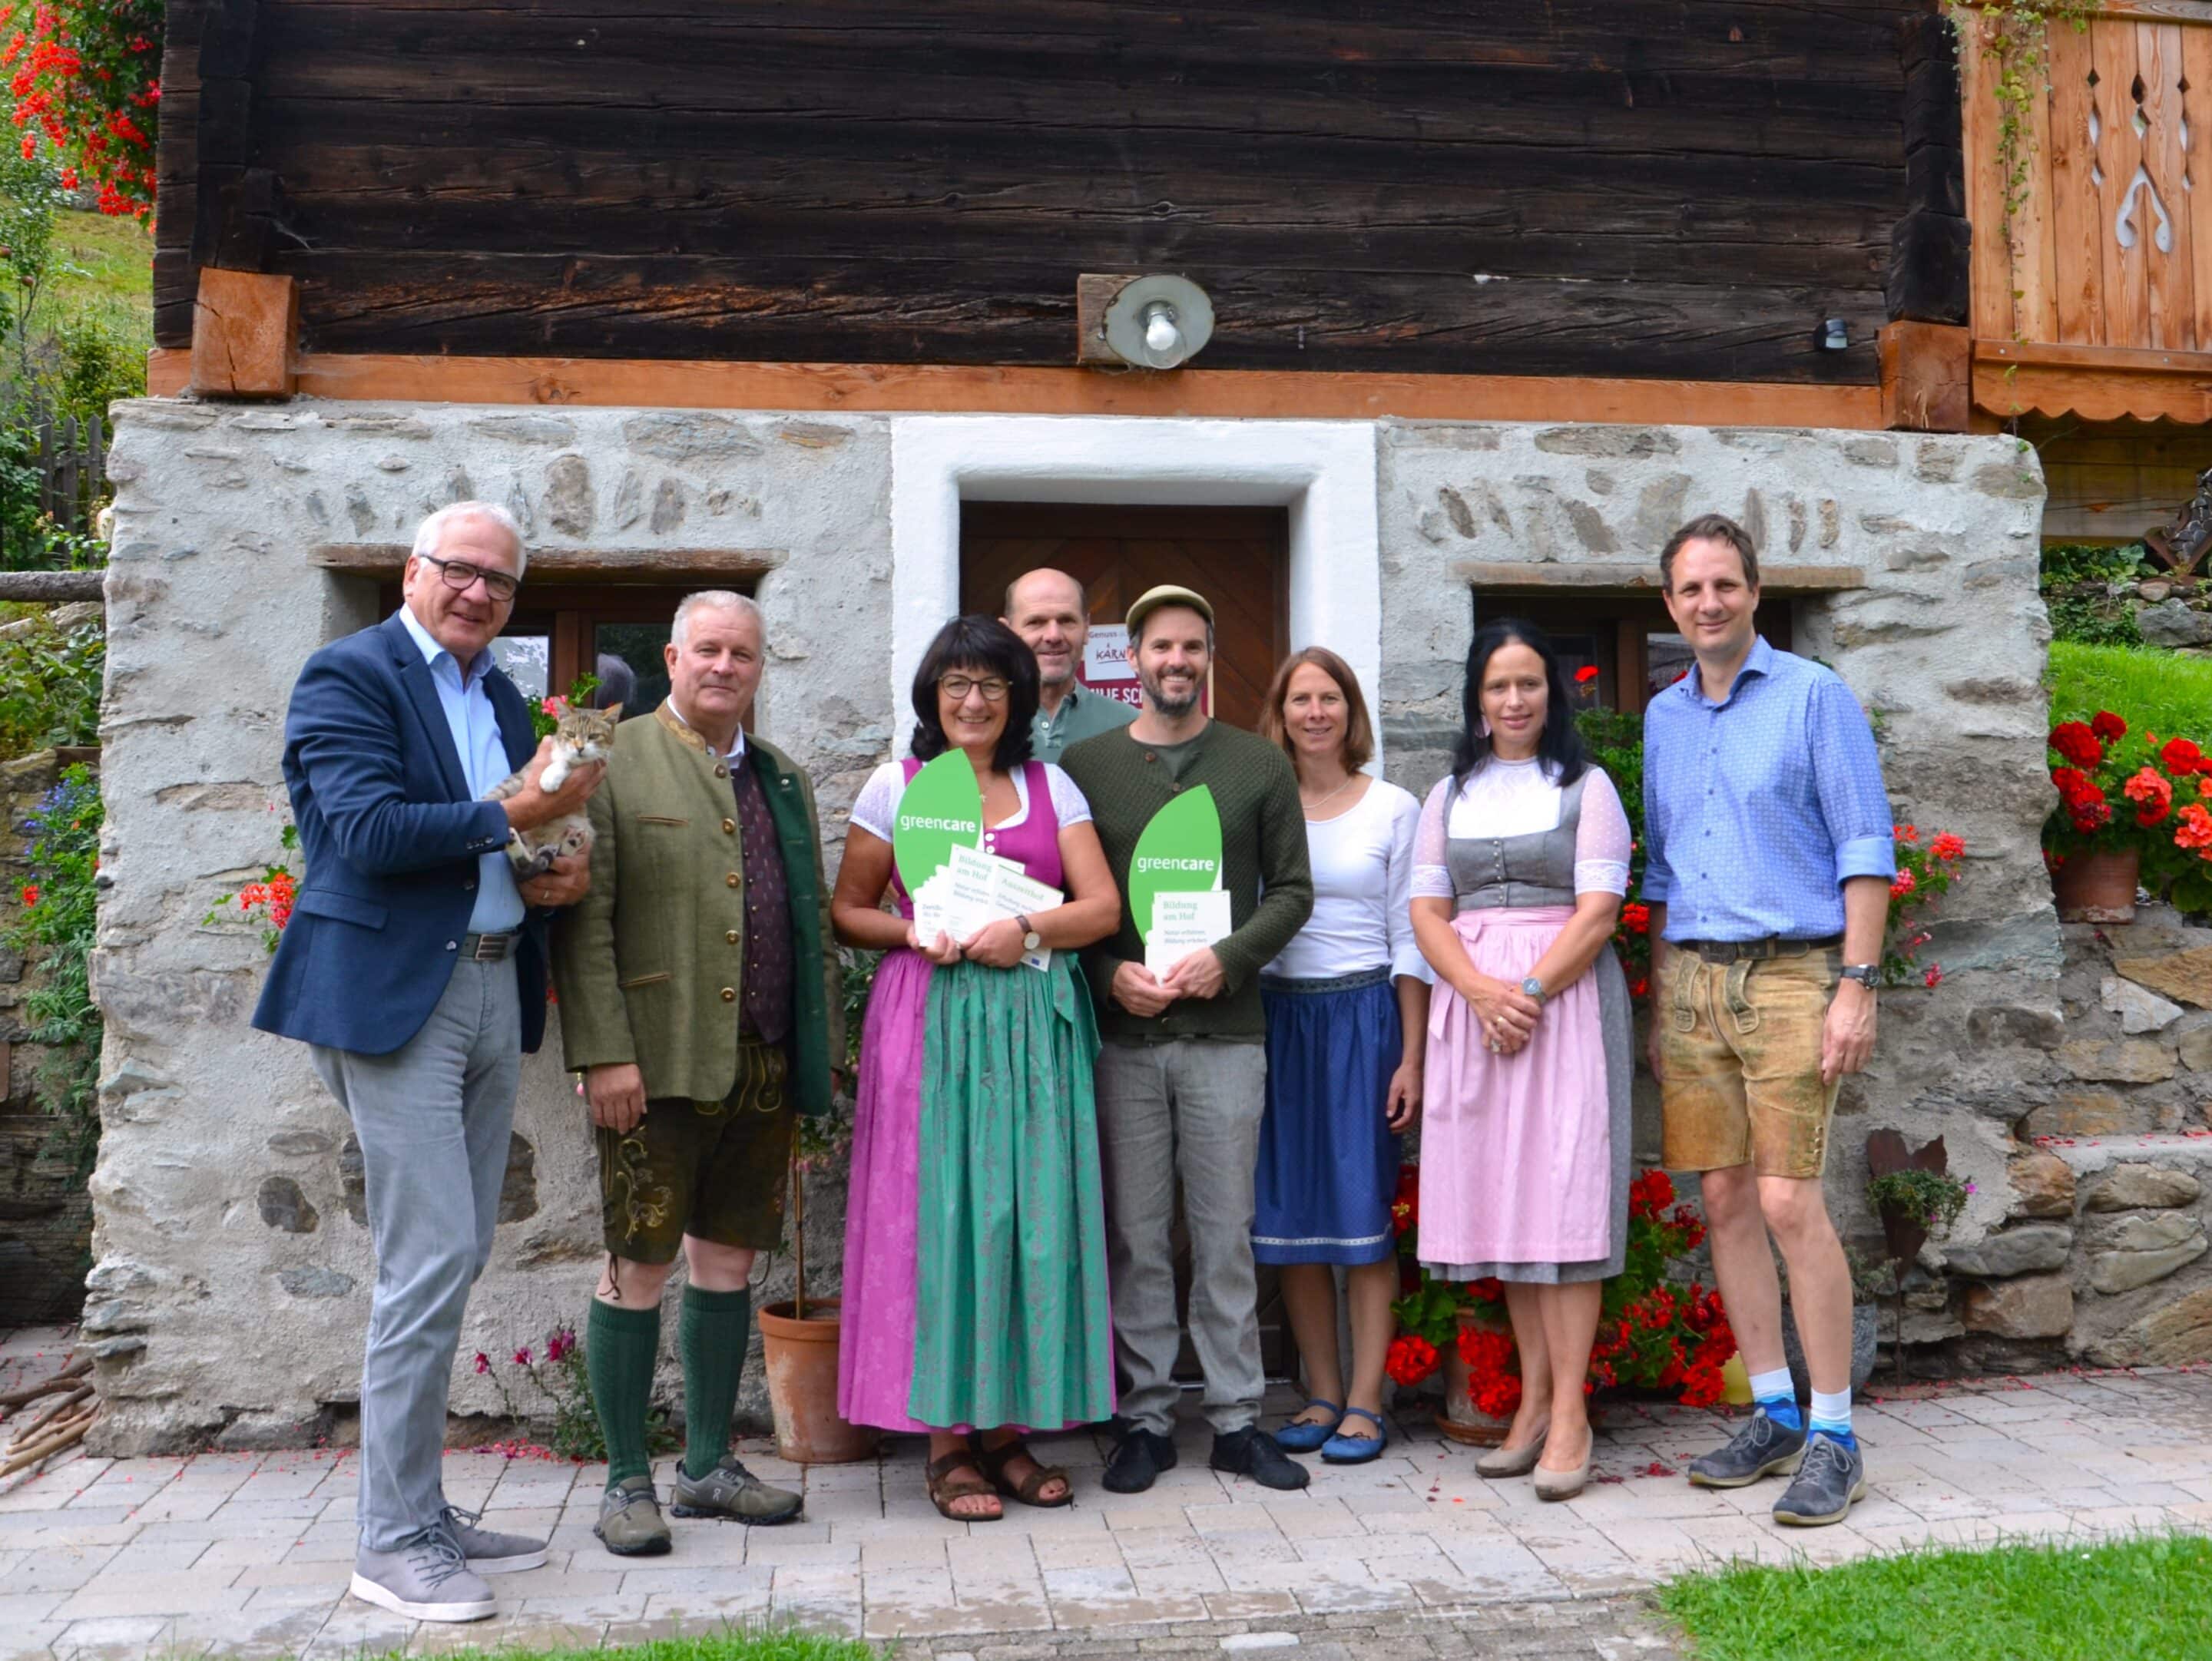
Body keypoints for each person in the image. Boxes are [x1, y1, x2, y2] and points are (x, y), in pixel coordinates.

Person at [252, 502, 602, 1623]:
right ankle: (390, 1541)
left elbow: (500, 833)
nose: (479, 593)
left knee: (450, 1257)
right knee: (430, 1252)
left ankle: (425, 1508)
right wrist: (516, 810)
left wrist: (552, 861)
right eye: (460, 570)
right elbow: (362, 831)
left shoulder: (495, 691)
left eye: (500, 583)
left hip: (498, 977)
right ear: (413, 571)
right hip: (397, 994)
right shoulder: (348, 675)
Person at [551, 591, 841, 1556]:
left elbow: (805, 928)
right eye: (708, 649)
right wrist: (602, 1051)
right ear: (672, 657)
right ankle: (626, 1480)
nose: (724, 666)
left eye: (743, 654)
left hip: (761, 1062)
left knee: (726, 1264)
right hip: (655, 1062)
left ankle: (710, 1469)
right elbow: (584, 919)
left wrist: (815, 1064)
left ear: (761, 669)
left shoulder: (784, 779)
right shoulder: (609, 755)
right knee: (635, 1268)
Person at [832, 616, 1123, 1520]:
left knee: (1025, 1214)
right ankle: (947, 1440)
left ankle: (1008, 1427)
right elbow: (848, 910)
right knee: (939, 1212)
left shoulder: (1051, 785)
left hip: (1031, 1021)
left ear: (1017, 699)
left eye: (992, 686)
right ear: (933, 695)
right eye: (956, 684)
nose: (973, 701)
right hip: (928, 1015)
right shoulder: (900, 784)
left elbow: (1104, 907)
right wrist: (910, 928)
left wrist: (1027, 929)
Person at [1642, 514, 1895, 1527]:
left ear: (1755, 592)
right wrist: (1663, 999)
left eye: (1725, 585)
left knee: (1791, 1201)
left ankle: (1836, 1433)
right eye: (1690, 588)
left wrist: (1858, 983)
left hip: (1794, 975)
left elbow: (1865, 843)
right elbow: (1661, 870)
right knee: (1727, 1197)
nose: (1709, 602)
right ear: (1669, 604)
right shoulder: (1665, 716)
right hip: (1696, 980)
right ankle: (1776, 1410)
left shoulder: (1814, 697)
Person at [1060, 585, 1316, 1494]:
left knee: (1224, 1233)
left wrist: (1229, 959)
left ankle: (1240, 1419)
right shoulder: (1085, 768)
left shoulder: (1256, 765)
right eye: (1162, 647)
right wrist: (1103, 976)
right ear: (1131, 659)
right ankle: (1145, 1419)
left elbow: (1292, 890)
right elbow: (1065, 902)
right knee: (1136, 1236)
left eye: (1194, 648)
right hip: (1125, 1039)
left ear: (1209, 657)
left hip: (1226, 1037)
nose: (1178, 662)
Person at [1409, 619, 1632, 1504]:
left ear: (1552, 693)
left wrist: (1528, 994)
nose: (1514, 700)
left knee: (1565, 1206)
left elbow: (1600, 910)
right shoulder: (1447, 797)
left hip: (1564, 1007)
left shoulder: (1588, 787)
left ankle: (1570, 1413)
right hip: (1479, 1017)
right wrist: (1479, 993)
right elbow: (1428, 912)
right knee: (1512, 1209)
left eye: (1529, 684)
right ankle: (1533, 1405)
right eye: (1498, 686)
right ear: (1476, 700)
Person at [1252, 648, 1429, 1465]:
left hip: (1364, 1017)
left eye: (1329, 698)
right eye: (1300, 699)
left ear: (1351, 711)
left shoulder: (1393, 806)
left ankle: (1367, 1400)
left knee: (1361, 1219)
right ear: (1280, 712)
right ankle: (1319, 1393)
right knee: (1292, 1219)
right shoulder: (1259, 801)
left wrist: (1412, 1056)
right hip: (1276, 1018)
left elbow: (1410, 937)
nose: (1315, 712)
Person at [1001, 567, 1136, 763]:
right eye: (1036, 622)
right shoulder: (984, 722)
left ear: (1087, 628)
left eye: (1066, 621)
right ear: (1007, 633)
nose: (1053, 636)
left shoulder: (1129, 726)